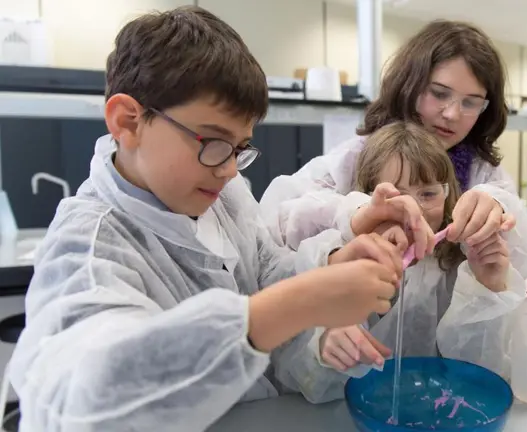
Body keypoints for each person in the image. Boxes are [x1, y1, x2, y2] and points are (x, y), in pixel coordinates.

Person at [7, 7, 404, 431]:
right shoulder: (88, 246)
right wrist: (298, 302)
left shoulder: (220, 194)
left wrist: (332, 264)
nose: (230, 168)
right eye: (213, 141)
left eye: (240, 147)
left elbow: (265, 270)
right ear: (128, 121)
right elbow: (86, 402)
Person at [259, 19, 527, 277]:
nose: (452, 114)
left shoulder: (485, 176)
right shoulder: (356, 157)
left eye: (470, 102)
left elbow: (526, 264)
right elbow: (277, 222)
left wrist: (497, 210)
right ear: (409, 84)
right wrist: (357, 214)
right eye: (439, 93)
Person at [287, 122, 525, 404]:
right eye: (395, 195)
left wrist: (488, 286)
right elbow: (304, 376)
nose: (415, 211)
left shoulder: (458, 264)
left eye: (428, 194)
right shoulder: (334, 253)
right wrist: (325, 344)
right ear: (367, 198)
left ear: (448, 195)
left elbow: (482, 376)